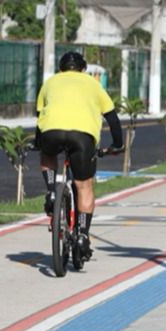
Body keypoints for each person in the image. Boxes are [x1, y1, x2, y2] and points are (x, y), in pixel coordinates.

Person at [36, 51, 124, 259]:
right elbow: (112, 118)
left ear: (61, 69)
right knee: (84, 186)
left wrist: (38, 141)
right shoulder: (92, 83)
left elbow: (41, 116)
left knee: (47, 155)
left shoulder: (50, 82)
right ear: (83, 69)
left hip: (51, 132)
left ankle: (51, 190)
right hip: (82, 138)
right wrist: (117, 144)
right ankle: (83, 234)